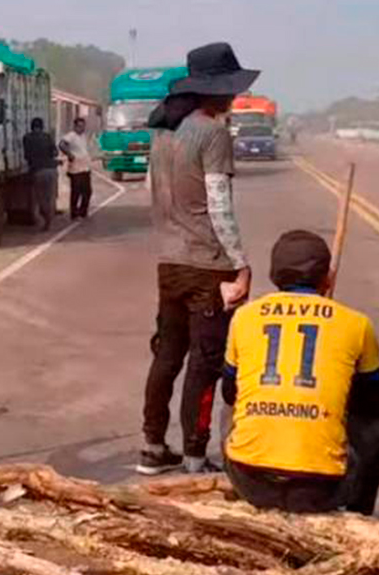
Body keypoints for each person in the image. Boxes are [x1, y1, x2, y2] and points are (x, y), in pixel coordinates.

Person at [138, 42, 255, 475]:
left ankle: (152, 444)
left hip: (169, 261)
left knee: (166, 355)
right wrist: (241, 263)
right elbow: (219, 207)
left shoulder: (163, 133)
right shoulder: (213, 133)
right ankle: (193, 453)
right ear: (218, 91)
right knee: (204, 364)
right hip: (207, 265)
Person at [222, 230, 379, 514]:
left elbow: (229, 391)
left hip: (250, 478)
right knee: (374, 427)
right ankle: (360, 512)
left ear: (274, 276)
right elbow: (371, 404)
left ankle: (243, 494)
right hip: (322, 486)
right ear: (328, 278)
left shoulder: (244, 317)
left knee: (231, 406)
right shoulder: (357, 324)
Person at [23, 117, 59, 231]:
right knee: (50, 196)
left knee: (40, 198)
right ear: (42, 126)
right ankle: (49, 218)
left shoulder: (27, 138)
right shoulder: (47, 137)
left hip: (38, 171)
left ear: (31, 126)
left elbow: (26, 156)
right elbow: (55, 152)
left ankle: (46, 218)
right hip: (51, 170)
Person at [59, 117, 94, 220]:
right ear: (75, 126)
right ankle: (74, 214)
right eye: (79, 126)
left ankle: (83, 212)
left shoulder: (83, 136)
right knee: (76, 192)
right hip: (75, 169)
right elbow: (61, 144)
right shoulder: (71, 136)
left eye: (83, 126)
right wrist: (69, 155)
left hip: (85, 168)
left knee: (87, 191)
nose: (81, 128)